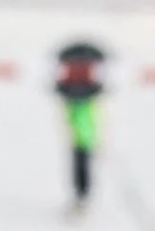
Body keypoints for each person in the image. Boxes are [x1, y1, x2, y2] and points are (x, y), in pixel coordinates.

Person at [55, 40, 104, 213]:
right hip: (79, 135)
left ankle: (82, 197)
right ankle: (80, 196)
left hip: (84, 137)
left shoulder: (86, 95)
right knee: (79, 165)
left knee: (82, 165)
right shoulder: (77, 92)